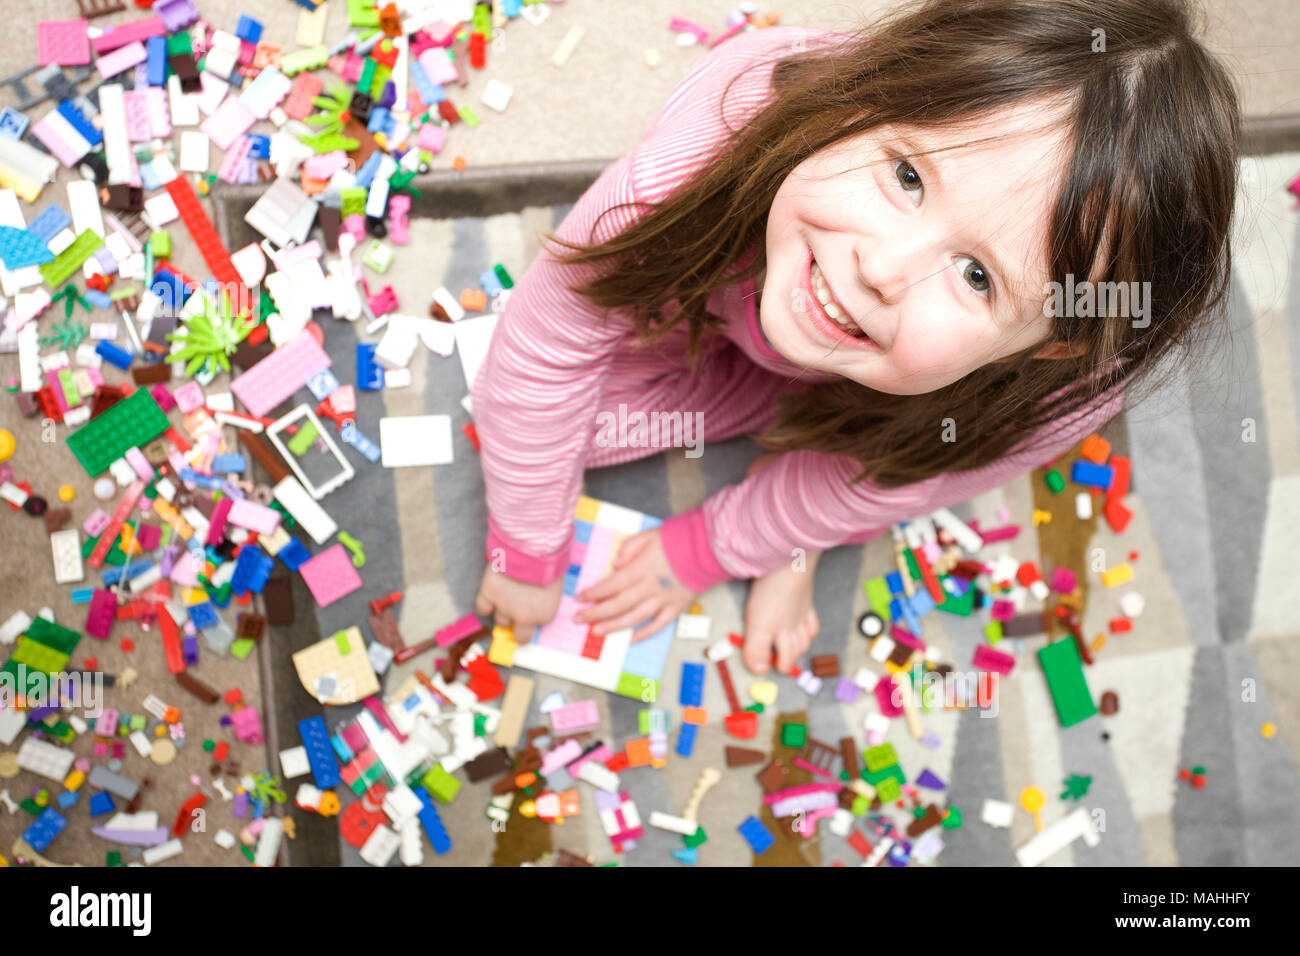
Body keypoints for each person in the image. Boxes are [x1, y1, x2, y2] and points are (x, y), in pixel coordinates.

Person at [472, 0, 1240, 676]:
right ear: (863, 98)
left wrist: (709, 547)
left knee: (864, 477)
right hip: (719, 295)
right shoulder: (713, 137)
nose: (880, 267)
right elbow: (552, 333)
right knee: (541, 420)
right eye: (907, 177)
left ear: (1051, 346)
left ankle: (795, 518)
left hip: (890, 395)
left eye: (977, 277)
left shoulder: (1058, 392)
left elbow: (878, 478)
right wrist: (528, 547)